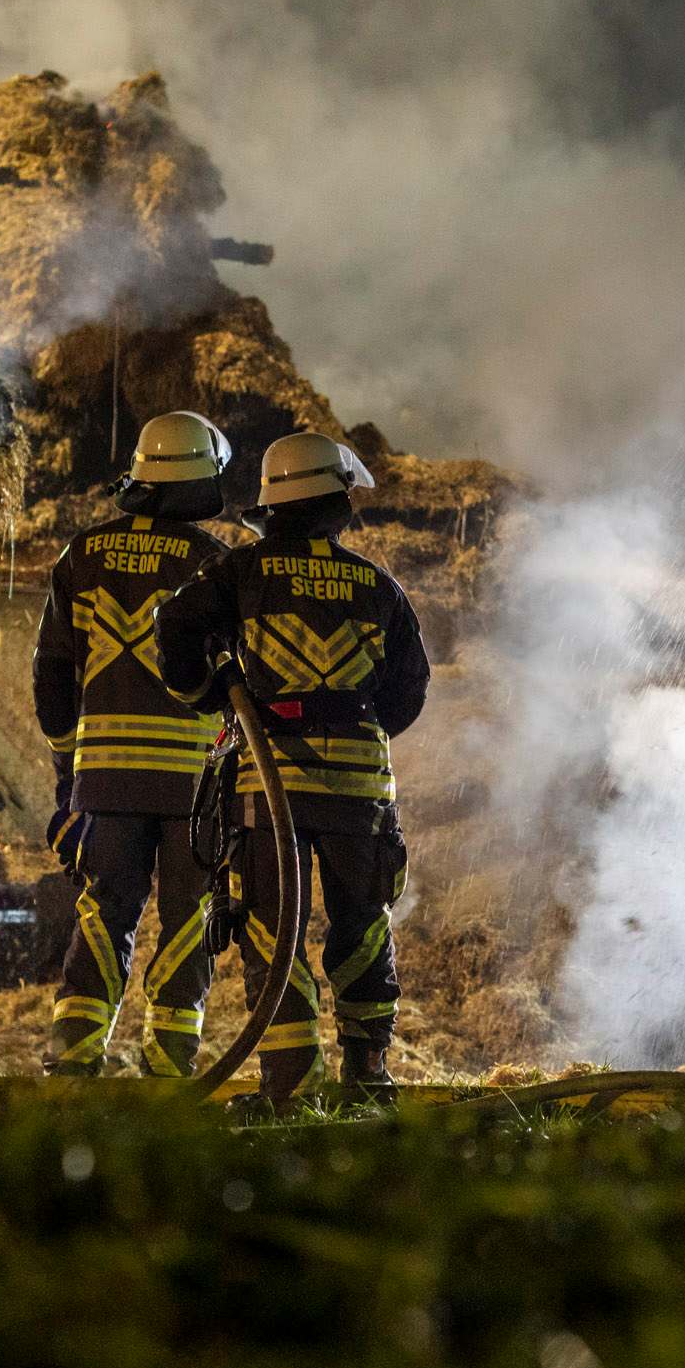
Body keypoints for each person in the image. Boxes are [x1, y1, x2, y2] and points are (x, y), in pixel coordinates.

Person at [154, 431, 432, 1108]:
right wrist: (355, 727)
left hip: (267, 781)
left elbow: (175, 628)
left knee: (270, 931)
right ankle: (367, 1075)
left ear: (274, 506)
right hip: (359, 789)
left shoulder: (241, 572)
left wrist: (215, 694)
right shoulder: (379, 586)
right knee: (363, 926)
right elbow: (408, 693)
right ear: (336, 502)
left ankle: (290, 1088)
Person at [32, 411, 233, 1076]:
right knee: (189, 913)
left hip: (106, 779)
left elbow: (52, 674)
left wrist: (70, 767)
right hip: (192, 783)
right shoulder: (214, 564)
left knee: (103, 908)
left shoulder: (80, 556)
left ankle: (73, 1051)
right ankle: (172, 1060)